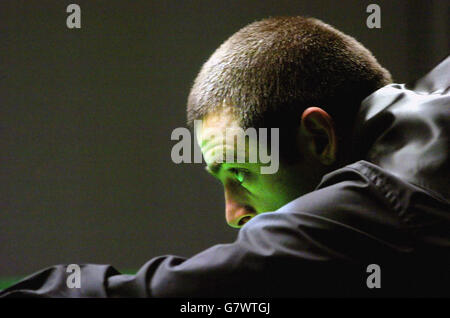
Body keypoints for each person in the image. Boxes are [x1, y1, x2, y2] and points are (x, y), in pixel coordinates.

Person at [1, 16, 448, 298]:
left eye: (242, 171)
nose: (234, 213)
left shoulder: (390, 198)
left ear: (317, 138)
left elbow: (178, 292)